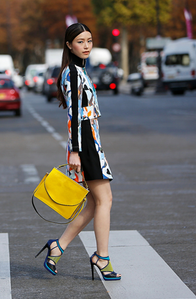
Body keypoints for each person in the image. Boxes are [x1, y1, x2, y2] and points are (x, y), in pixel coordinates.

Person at [35, 23, 121, 281]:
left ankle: (58, 247)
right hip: (84, 144)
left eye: (89, 40)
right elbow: (74, 114)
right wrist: (75, 151)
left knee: (96, 203)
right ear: (69, 45)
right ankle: (102, 257)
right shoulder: (71, 73)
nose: (86, 46)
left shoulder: (80, 71)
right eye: (80, 41)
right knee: (105, 200)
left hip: (92, 142)